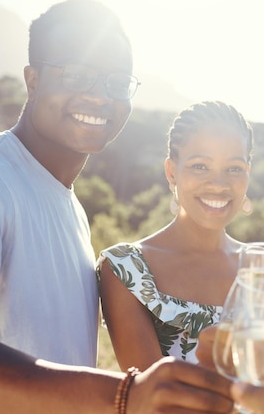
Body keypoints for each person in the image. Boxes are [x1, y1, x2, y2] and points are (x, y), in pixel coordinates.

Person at [0, 0, 232, 413]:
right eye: (77, 75)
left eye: (116, 82)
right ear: (33, 80)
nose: (99, 96)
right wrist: (126, 396)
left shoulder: (68, 206)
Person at [97, 100, 254, 371]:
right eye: (200, 166)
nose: (218, 184)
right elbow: (153, 402)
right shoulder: (126, 269)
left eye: (234, 168)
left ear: (247, 174)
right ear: (171, 172)